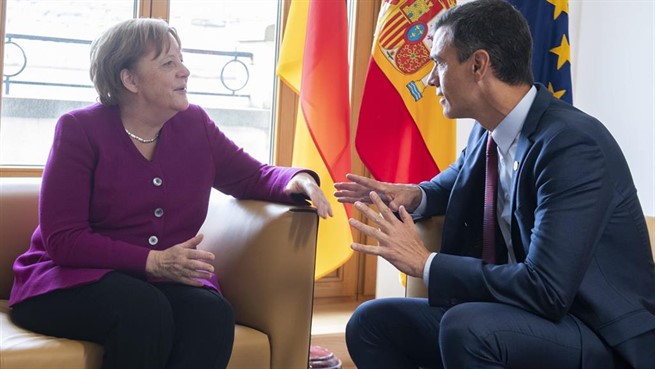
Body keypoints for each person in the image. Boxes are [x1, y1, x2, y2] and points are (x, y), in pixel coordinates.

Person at [334, 1, 655, 368]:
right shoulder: (488, 131)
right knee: (372, 323)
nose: (430, 79)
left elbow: (545, 290)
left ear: (478, 65)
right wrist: (416, 195)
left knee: (467, 327)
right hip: (523, 316)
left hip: (591, 329)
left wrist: (426, 263)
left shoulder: (572, 145)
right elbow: (459, 180)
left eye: (439, 62)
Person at [9, 18, 332, 369]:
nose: (185, 71)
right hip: (68, 281)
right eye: (168, 63)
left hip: (160, 282)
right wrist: (152, 261)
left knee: (212, 314)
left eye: (181, 59)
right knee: (142, 308)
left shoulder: (195, 125)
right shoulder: (79, 130)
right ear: (129, 79)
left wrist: (298, 179)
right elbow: (64, 240)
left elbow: (252, 176)